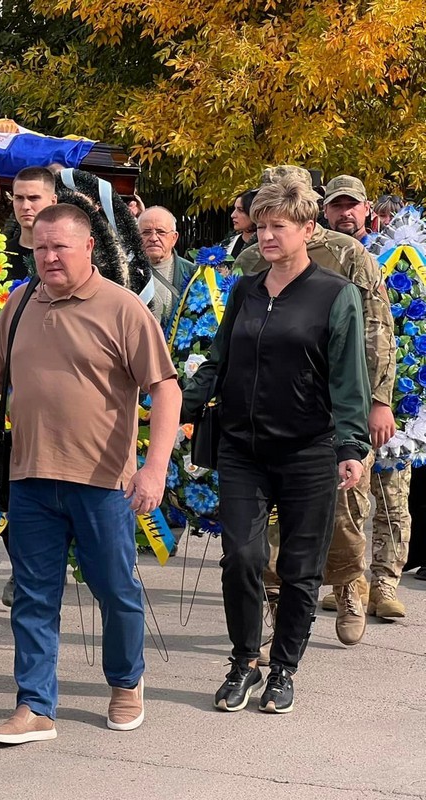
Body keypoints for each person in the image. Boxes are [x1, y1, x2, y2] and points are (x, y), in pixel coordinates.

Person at [0, 203, 181, 745]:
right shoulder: (20, 303)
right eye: (40, 247)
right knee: (33, 595)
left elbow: (166, 389)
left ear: (88, 248)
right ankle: (35, 706)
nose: (48, 257)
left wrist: (154, 468)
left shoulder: (121, 309)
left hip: (102, 483)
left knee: (116, 590)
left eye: (59, 248)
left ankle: (125, 682)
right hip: (30, 478)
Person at [183, 177, 371, 714]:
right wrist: (180, 406)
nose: (265, 236)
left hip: (309, 449)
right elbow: (219, 359)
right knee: (241, 557)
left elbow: (348, 377)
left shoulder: (337, 295)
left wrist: (351, 445)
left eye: (277, 227)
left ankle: (284, 669)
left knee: (299, 567)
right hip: (242, 447)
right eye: (260, 226)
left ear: (308, 230)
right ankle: (244, 663)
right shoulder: (244, 289)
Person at [235, 165, 395, 648]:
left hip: (335, 406)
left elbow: (376, 327)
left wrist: (379, 400)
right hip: (271, 408)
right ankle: (277, 596)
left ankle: (349, 583)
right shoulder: (249, 260)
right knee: (274, 520)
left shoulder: (350, 254)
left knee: (344, 505)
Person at [323, 175, 411, 620]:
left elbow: (391, 332)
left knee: (393, 492)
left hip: (393, 394)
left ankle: (386, 582)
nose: (345, 213)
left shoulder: (402, 254)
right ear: (324, 212)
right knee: (348, 497)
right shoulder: (322, 258)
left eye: (351, 206)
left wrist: (386, 399)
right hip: (340, 399)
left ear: (367, 209)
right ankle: (349, 581)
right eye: (336, 206)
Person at [137, 206, 195, 326]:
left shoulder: (192, 274)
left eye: (161, 232)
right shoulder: (124, 273)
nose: (153, 238)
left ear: (174, 238)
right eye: (146, 232)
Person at [4, 167, 58, 283]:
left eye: (33, 198)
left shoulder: (67, 254)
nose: (25, 206)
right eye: (19, 198)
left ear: (53, 201)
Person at [222, 190, 258, 261]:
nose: (233, 215)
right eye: (235, 209)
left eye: (240, 210)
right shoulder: (227, 245)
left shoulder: (267, 246)